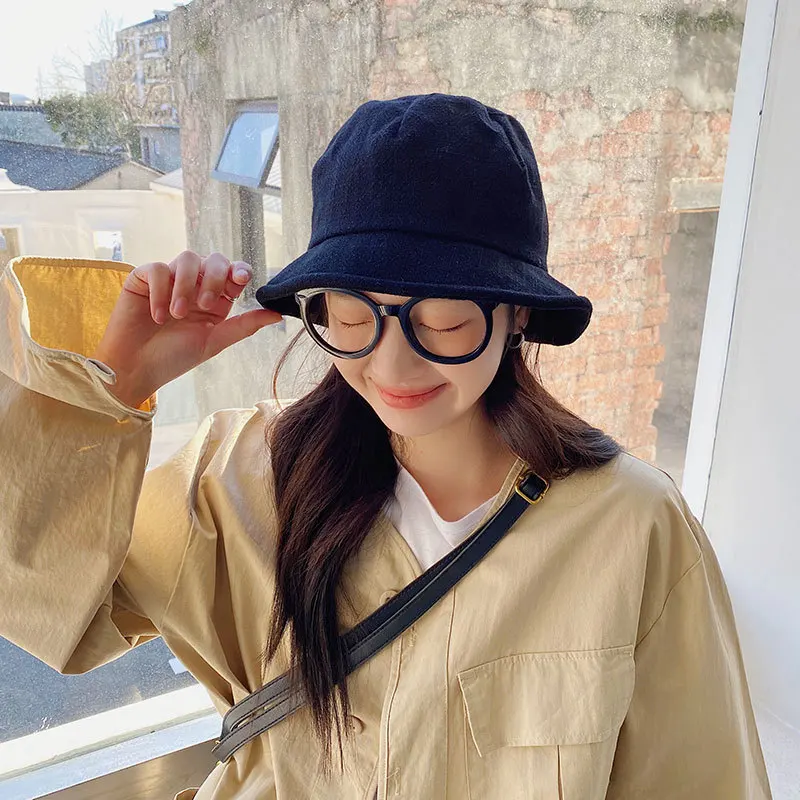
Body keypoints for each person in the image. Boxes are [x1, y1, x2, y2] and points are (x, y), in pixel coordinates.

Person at [0, 94, 772, 800]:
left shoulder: (632, 526)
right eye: (353, 313)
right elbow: (48, 608)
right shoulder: (238, 477)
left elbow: (702, 780)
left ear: (517, 315)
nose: (392, 366)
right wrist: (118, 381)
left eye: (444, 319)